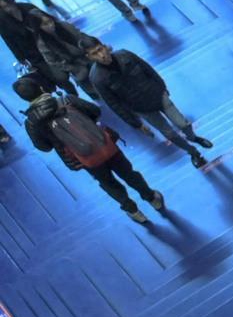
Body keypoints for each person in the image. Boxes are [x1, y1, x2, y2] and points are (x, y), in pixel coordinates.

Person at [16, 75, 164, 223]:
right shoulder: (65, 100)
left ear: (24, 99)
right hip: (104, 144)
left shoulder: (32, 123)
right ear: (40, 88)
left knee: (107, 182)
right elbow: (94, 110)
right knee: (128, 173)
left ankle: (133, 211)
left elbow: (43, 147)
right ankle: (152, 198)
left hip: (82, 157)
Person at [85, 41, 213, 167]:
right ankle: (193, 152)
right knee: (169, 133)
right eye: (95, 54)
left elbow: (148, 69)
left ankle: (193, 137)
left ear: (104, 47)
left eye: (100, 49)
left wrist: (162, 87)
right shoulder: (97, 78)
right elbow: (113, 104)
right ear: (90, 57)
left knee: (182, 123)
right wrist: (136, 124)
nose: (101, 55)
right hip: (141, 107)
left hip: (157, 94)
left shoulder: (125, 55)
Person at [25, 5, 102, 100]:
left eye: (50, 21)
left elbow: (81, 36)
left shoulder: (65, 26)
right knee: (93, 90)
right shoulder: (42, 43)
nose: (50, 25)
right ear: (38, 27)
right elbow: (52, 61)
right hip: (75, 68)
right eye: (45, 24)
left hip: (88, 56)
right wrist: (69, 67)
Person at [0, 0, 51, 85]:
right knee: (56, 78)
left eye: (8, 6)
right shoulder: (3, 21)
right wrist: (21, 58)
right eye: (4, 8)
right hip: (33, 54)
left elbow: (49, 20)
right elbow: (9, 41)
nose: (8, 10)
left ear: (12, 1)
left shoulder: (28, 8)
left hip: (50, 45)